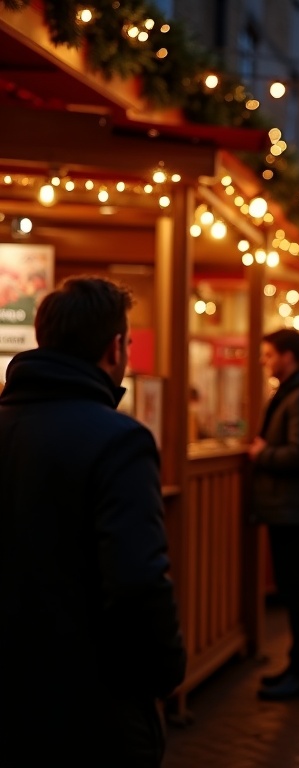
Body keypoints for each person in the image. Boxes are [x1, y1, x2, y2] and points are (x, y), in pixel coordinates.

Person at [0, 277, 185, 767]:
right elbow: (138, 580)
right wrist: (166, 672)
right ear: (115, 347)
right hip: (91, 700)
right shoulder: (119, 441)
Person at [249, 328, 299, 701]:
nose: (265, 360)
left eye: (269, 354)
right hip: (288, 506)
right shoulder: (297, 392)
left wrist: (261, 453)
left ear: (288, 356)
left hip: (293, 507)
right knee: (298, 589)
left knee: (298, 591)